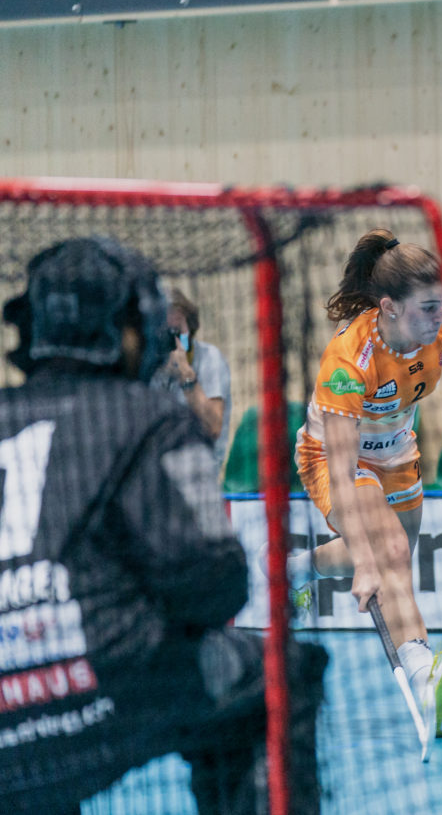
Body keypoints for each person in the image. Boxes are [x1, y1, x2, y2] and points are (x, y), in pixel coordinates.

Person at [0, 236, 326, 814]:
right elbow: (214, 580)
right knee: (281, 675)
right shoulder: (149, 417)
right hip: (99, 687)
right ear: (126, 330)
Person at [285, 228, 442, 754]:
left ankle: (294, 569)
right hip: (337, 459)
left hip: (398, 456)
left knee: (396, 556)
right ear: (389, 307)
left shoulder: (434, 326)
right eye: (427, 308)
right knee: (387, 553)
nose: (439, 316)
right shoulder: (348, 363)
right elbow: (338, 469)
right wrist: (365, 566)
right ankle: (426, 679)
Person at [152, 288, 233, 467]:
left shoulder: (210, 358)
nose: (171, 340)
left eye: (176, 330)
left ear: (190, 327)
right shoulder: (148, 363)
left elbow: (213, 426)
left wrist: (186, 376)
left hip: (199, 465)